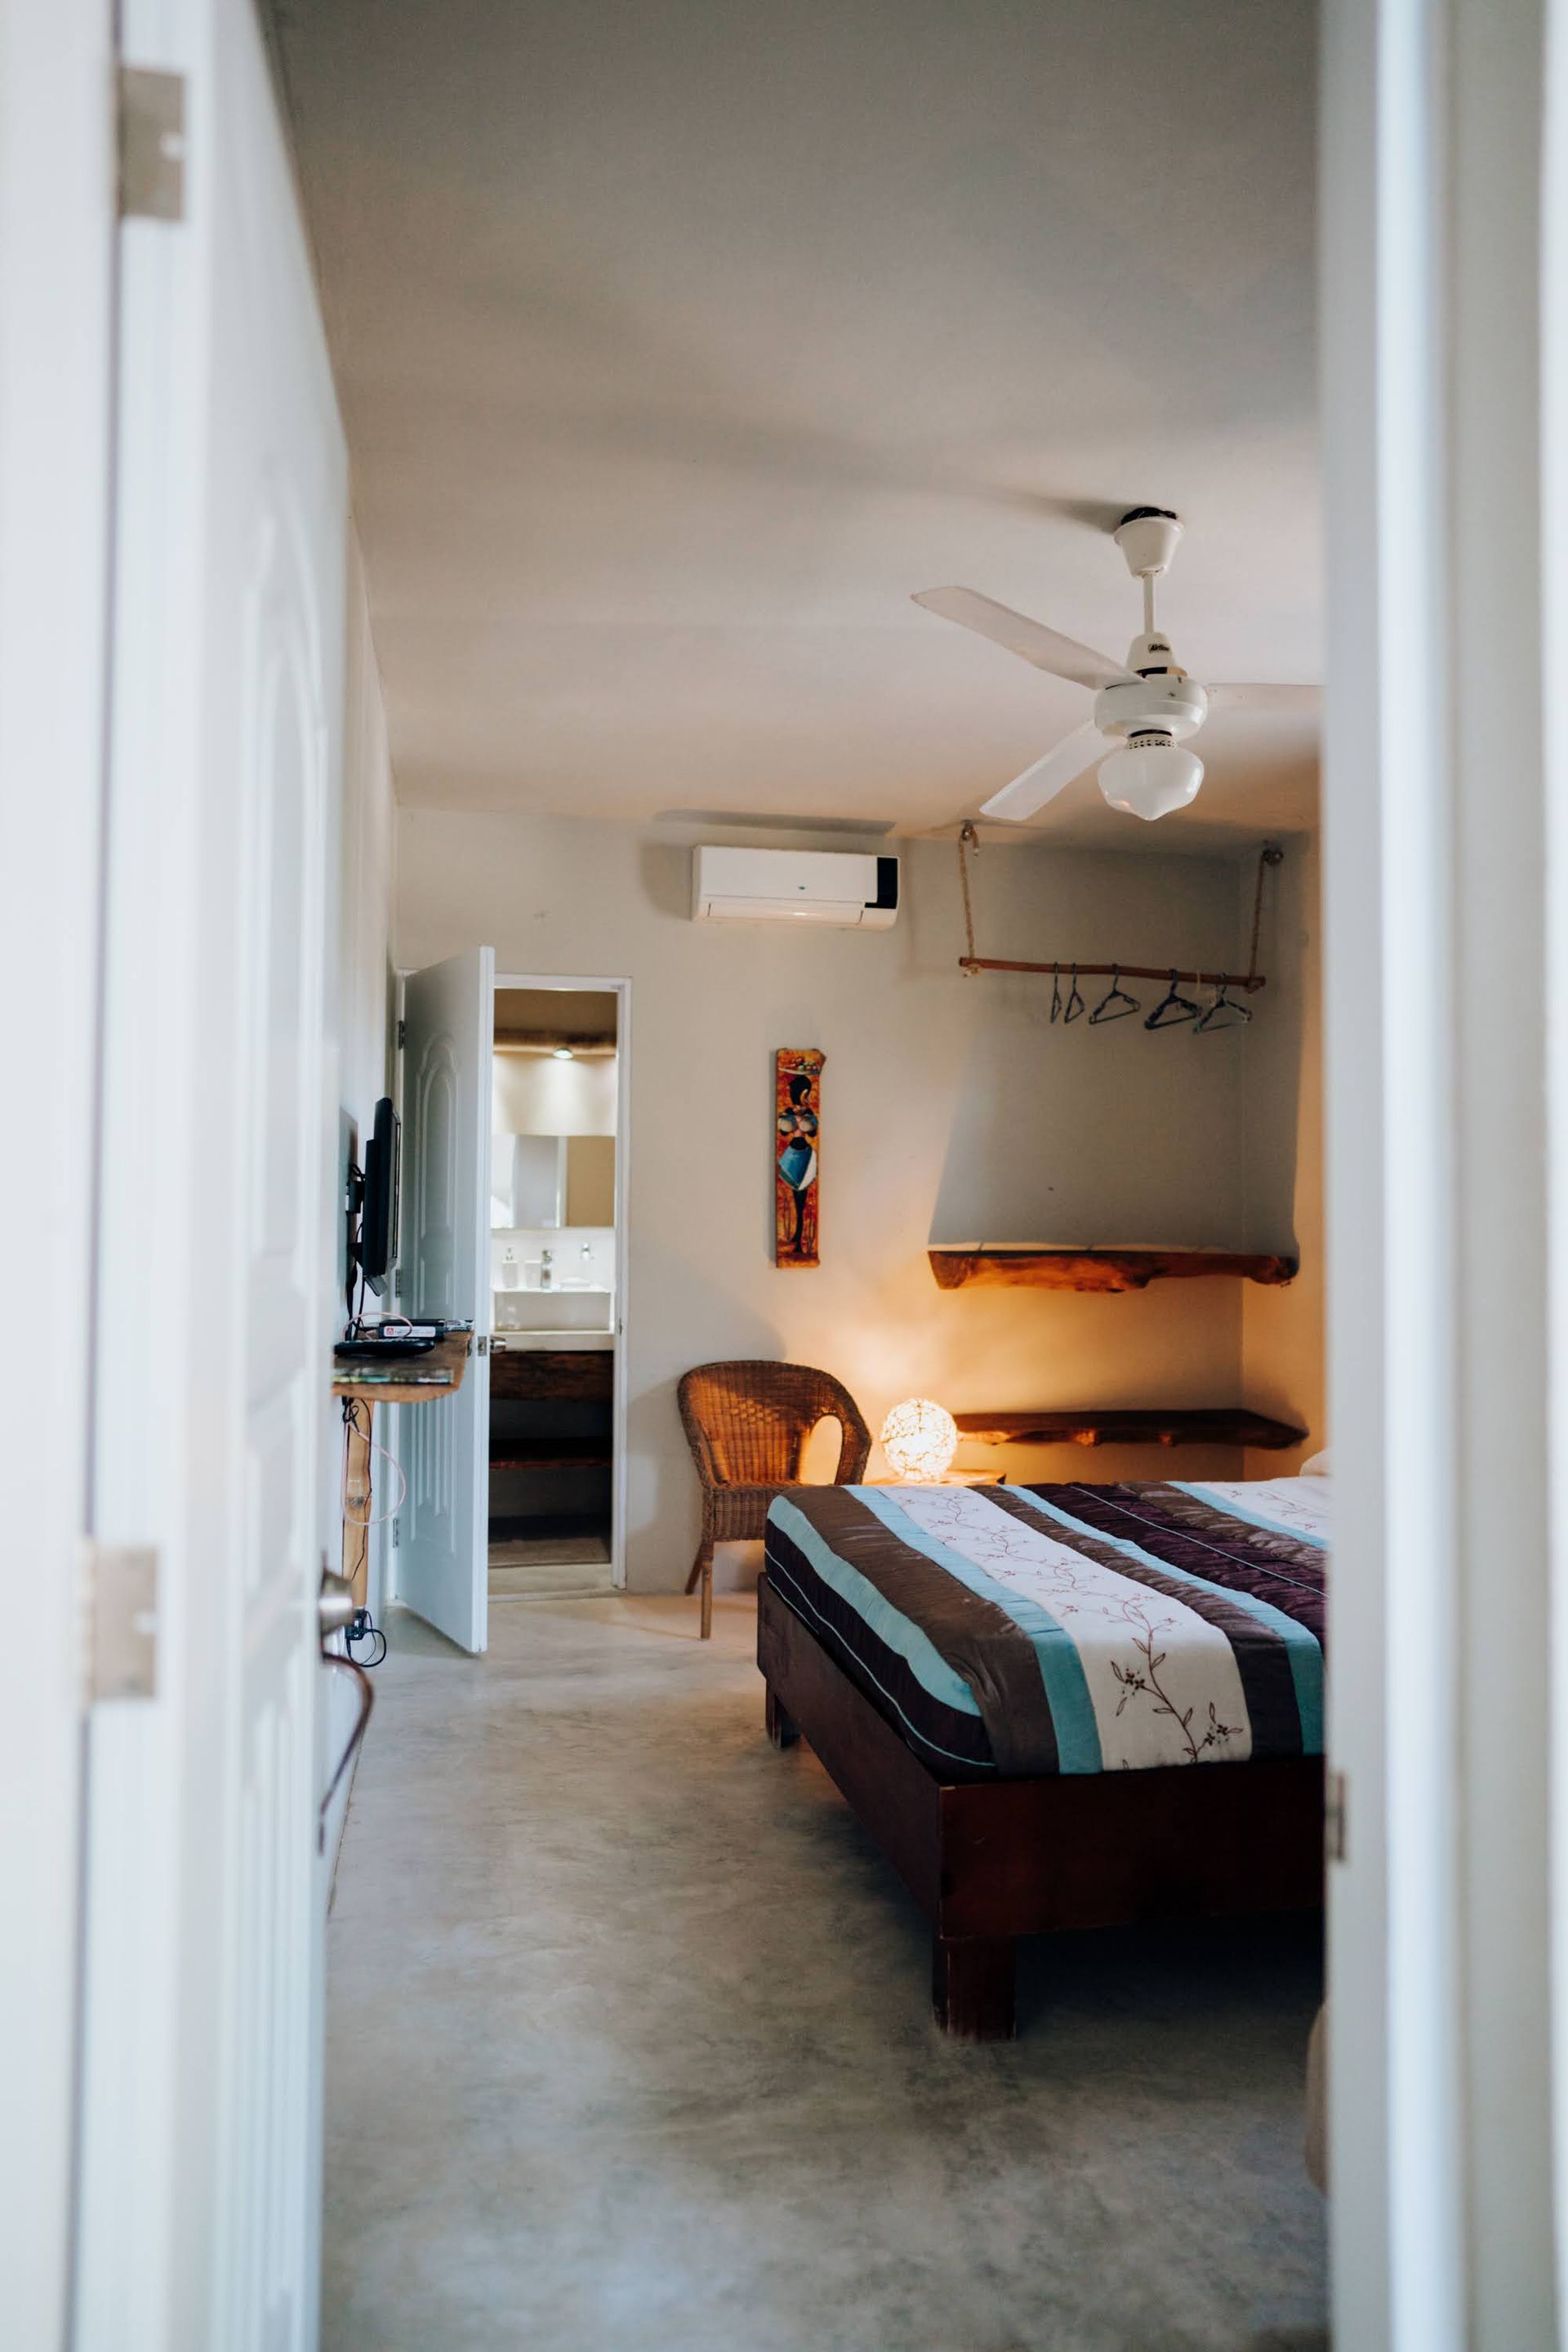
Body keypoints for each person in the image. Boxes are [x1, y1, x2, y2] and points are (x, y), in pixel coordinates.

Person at [776, 1072, 819, 1256]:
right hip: (793, 1156)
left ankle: (799, 1236)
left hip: (805, 1156)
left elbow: (812, 1133)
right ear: (800, 1094)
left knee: (801, 1200)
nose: (809, 1098)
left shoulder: (809, 1115)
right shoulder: (788, 1114)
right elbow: (784, 1132)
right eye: (806, 1094)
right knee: (795, 1197)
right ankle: (796, 1235)